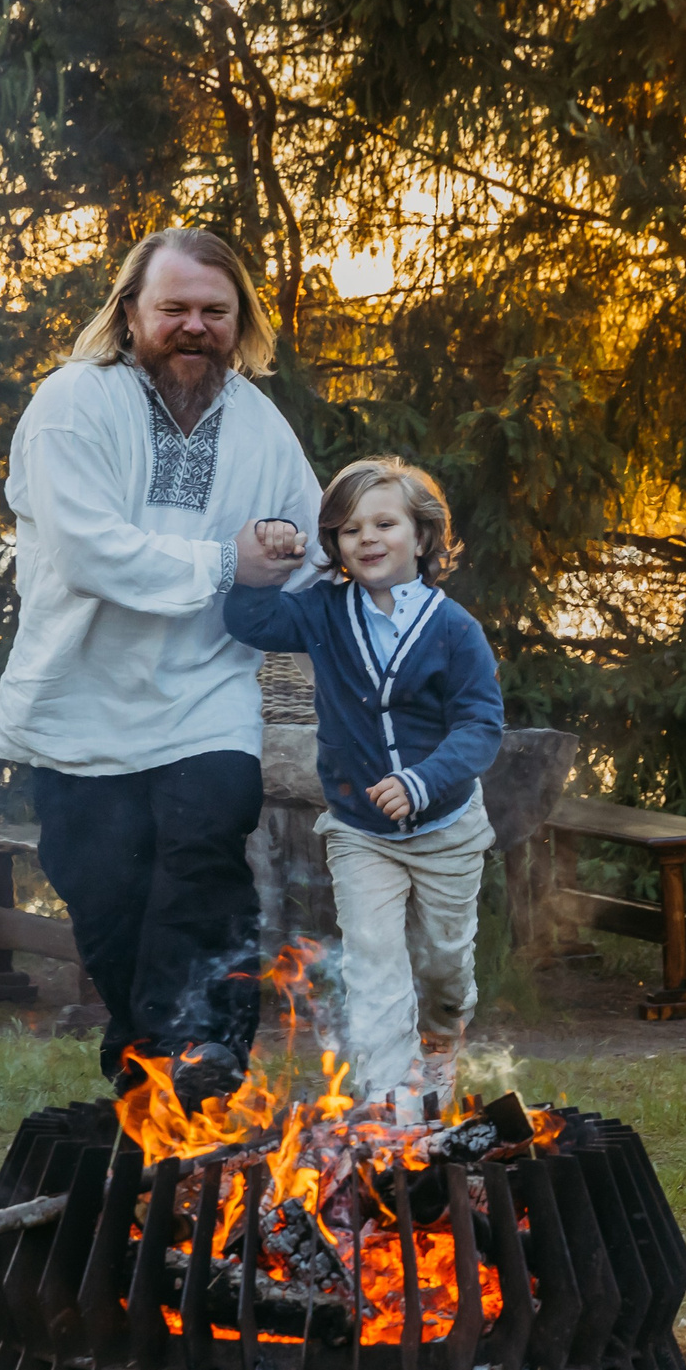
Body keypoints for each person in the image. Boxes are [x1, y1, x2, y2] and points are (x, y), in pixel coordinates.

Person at [0, 228, 321, 1108]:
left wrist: (290, 551)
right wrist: (229, 560)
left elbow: (310, 542)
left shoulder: (260, 423)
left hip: (207, 692)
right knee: (107, 895)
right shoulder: (72, 403)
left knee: (205, 855)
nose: (195, 326)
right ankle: (148, 1066)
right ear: (130, 310)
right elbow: (91, 552)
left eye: (215, 311)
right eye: (175, 308)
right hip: (79, 697)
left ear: (240, 320)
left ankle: (206, 1046)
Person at [223, 459, 504, 1106]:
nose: (367, 538)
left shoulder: (455, 629)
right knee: (373, 959)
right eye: (350, 530)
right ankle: (388, 1097)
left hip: (447, 829)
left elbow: (481, 726)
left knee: (444, 966)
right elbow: (250, 622)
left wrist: (421, 780)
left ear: (422, 536)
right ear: (335, 544)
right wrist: (266, 562)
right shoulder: (323, 612)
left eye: (384, 524)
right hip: (360, 832)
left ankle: (440, 1044)